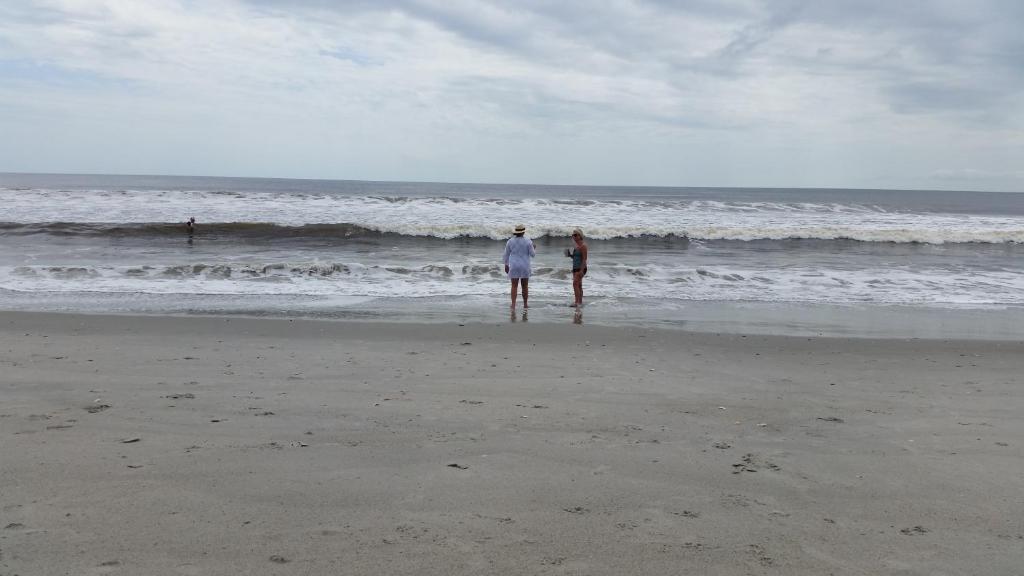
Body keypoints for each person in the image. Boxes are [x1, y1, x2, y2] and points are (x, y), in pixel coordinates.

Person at [503, 223, 536, 309]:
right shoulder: (528, 241)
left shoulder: (510, 241)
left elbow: (506, 254)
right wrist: (534, 247)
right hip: (525, 265)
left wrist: (506, 265)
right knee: (525, 286)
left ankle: (513, 304)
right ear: (523, 232)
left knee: (514, 285)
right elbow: (533, 254)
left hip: (514, 265)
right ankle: (525, 304)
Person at [566, 228, 588, 307]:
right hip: (575, 267)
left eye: (575, 235)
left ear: (580, 236)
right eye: (573, 235)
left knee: (575, 284)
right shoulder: (576, 246)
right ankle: (580, 302)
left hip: (581, 268)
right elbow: (575, 257)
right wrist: (570, 255)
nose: (573, 237)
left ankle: (577, 302)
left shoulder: (583, 246)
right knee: (579, 285)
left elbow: (584, 259)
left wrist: (582, 271)